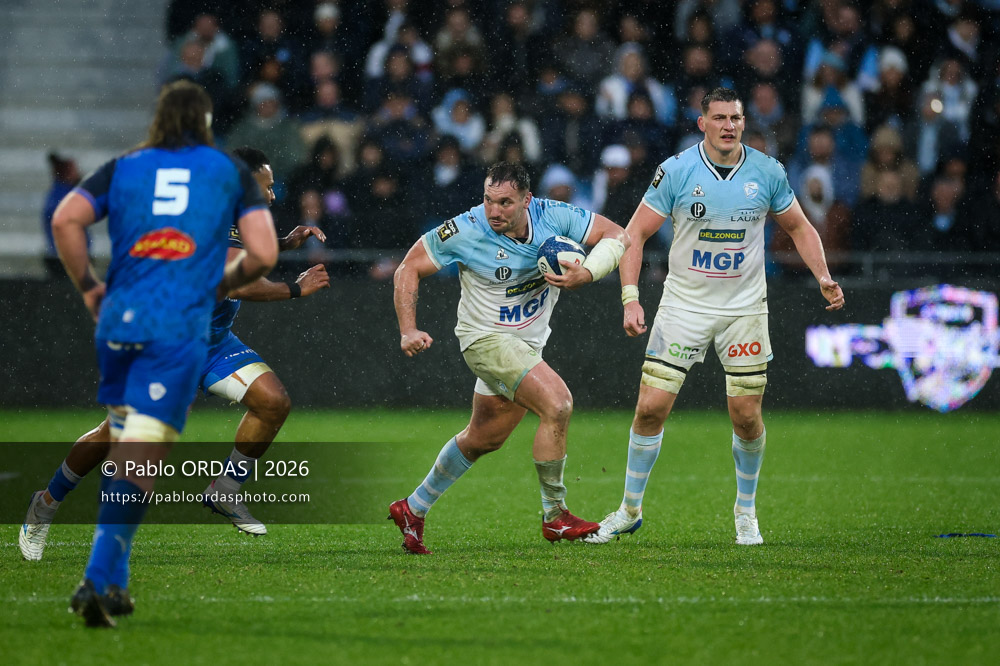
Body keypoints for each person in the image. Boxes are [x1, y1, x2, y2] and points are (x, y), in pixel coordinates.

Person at [19, 147, 329, 565]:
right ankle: (45, 504)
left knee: (272, 402)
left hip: (212, 340)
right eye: (266, 187)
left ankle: (226, 490)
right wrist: (295, 288)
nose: (272, 197)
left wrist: (285, 243)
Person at [48, 80, 278, 627]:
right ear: (202, 126)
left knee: (132, 446)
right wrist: (226, 280)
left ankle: (110, 582)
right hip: (177, 326)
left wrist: (88, 287)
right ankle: (98, 578)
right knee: (137, 457)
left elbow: (65, 220)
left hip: (126, 319)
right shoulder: (221, 176)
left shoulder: (126, 166)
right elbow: (260, 253)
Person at [584, 88, 844, 547]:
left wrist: (822, 275)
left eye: (736, 118)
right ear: (702, 123)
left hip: (744, 309)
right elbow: (633, 235)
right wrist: (630, 297)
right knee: (650, 409)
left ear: (745, 123)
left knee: (745, 416)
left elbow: (800, 226)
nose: (729, 126)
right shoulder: (677, 171)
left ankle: (746, 512)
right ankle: (628, 510)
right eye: (720, 117)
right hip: (683, 306)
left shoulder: (767, 172)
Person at [388, 162, 629, 554]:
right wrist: (408, 329)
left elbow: (617, 235)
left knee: (483, 438)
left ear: (526, 201)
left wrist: (587, 273)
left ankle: (413, 507)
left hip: (526, 346)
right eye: (488, 200)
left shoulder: (553, 214)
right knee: (558, 404)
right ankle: (556, 516)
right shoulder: (466, 228)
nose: (494, 211)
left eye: (504, 202)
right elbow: (408, 267)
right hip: (484, 340)